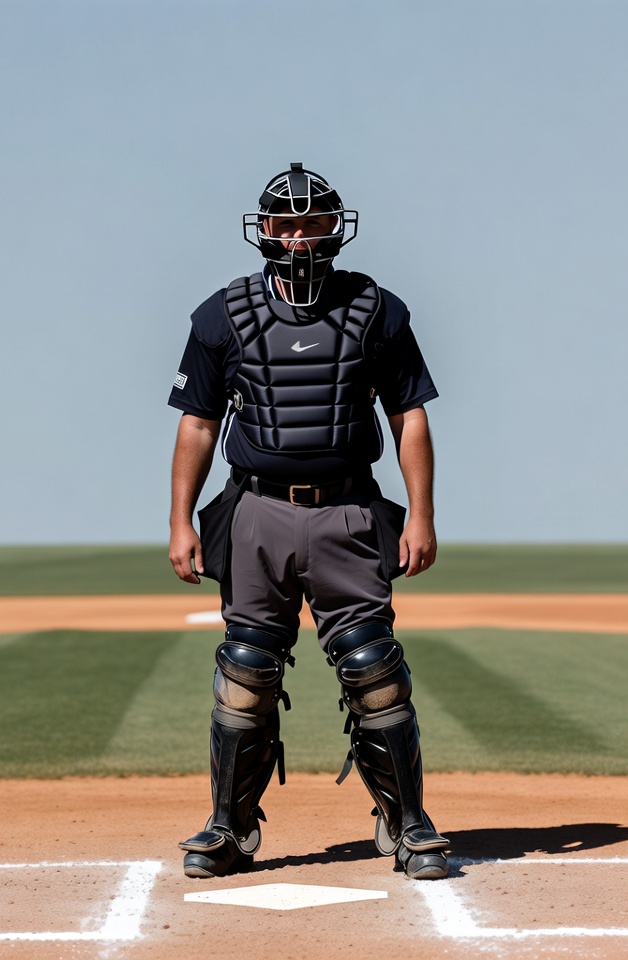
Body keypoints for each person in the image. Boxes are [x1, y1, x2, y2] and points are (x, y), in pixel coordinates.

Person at [167, 163, 449, 881]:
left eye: (313, 221)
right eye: (285, 222)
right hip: (257, 508)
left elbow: (408, 415)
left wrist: (421, 513)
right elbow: (197, 424)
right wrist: (181, 520)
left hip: (349, 509)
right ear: (263, 230)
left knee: (373, 667)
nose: (299, 235)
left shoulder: (376, 309)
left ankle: (406, 821)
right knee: (247, 671)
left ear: (335, 226)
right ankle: (230, 827)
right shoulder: (220, 315)